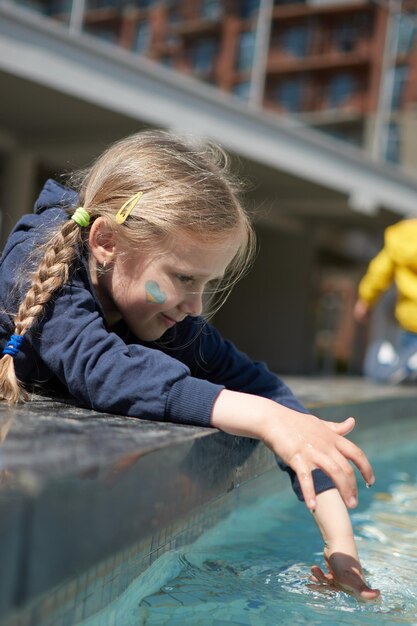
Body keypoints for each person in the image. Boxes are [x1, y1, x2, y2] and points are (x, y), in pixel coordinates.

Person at [0, 130, 379, 600]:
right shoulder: (36, 256)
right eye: (183, 278)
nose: (196, 306)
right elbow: (104, 369)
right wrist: (264, 419)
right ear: (106, 242)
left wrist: (342, 550)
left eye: (208, 284)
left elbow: (273, 399)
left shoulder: (168, 318)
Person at [354, 219, 417, 383]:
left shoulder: (400, 238)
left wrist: (365, 300)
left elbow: (378, 273)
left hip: (411, 320)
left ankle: (408, 367)